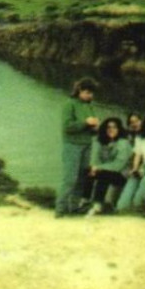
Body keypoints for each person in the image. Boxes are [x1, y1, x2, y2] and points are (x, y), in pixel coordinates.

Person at [57, 77, 100, 215]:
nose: (90, 95)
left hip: (87, 145)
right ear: (79, 90)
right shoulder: (69, 104)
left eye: (92, 93)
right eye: (87, 92)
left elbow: (90, 129)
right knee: (70, 179)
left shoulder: (89, 105)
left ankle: (74, 208)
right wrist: (86, 123)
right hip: (72, 146)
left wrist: (95, 128)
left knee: (82, 178)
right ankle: (60, 209)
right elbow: (67, 127)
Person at [86, 116, 131, 215]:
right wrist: (93, 167)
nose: (111, 129)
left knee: (103, 174)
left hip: (123, 175)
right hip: (107, 170)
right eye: (108, 127)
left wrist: (98, 168)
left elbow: (118, 165)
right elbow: (95, 157)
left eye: (114, 127)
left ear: (119, 129)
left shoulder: (123, 143)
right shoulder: (101, 142)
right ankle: (84, 200)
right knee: (87, 171)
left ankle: (97, 204)